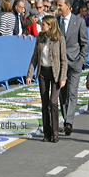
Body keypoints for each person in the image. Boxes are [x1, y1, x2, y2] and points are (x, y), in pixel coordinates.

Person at [26, 15, 67, 143]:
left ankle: (55, 133)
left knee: (53, 102)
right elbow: (34, 57)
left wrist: (63, 77)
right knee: (44, 103)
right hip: (43, 72)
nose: (40, 26)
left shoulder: (59, 39)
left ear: (50, 26)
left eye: (43, 24)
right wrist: (29, 74)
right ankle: (47, 133)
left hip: (55, 73)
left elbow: (63, 60)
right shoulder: (40, 38)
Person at [57, 0, 89, 136]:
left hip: (75, 62)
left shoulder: (79, 22)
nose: (57, 8)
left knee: (72, 92)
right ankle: (66, 119)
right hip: (59, 64)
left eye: (60, 5)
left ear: (68, 6)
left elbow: (85, 43)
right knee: (62, 93)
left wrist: (82, 59)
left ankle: (69, 122)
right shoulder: (56, 21)